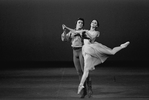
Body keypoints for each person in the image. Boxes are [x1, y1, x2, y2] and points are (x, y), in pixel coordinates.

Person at [62, 19, 130, 94]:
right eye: (92, 22)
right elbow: (74, 32)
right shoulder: (85, 31)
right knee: (85, 70)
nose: (93, 23)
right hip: (85, 50)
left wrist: (85, 32)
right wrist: (66, 27)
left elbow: (91, 37)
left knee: (112, 52)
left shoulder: (96, 32)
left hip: (92, 48)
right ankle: (81, 86)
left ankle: (121, 46)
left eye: (95, 23)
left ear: (96, 25)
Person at [61, 18, 93, 98]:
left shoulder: (83, 32)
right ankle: (83, 90)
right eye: (79, 22)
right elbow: (64, 39)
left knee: (84, 71)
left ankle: (89, 87)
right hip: (75, 52)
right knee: (79, 72)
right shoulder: (71, 32)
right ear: (76, 23)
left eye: (82, 23)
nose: (80, 24)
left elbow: (90, 38)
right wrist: (65, 31)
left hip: (81, 51)